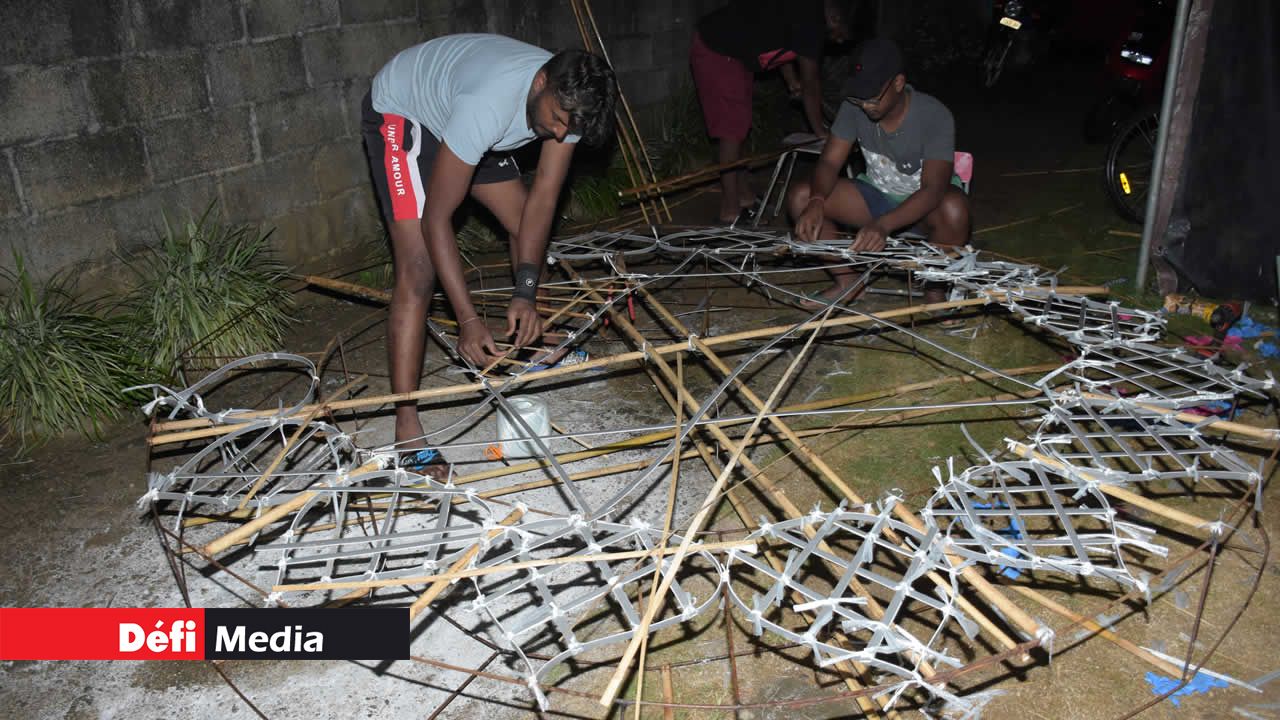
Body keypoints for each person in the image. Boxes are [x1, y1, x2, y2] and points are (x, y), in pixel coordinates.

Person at [361, 34, 617, 473]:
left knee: (524, 220)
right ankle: (407, 428)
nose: (560, 134)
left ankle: (533, 341)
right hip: (405, 110)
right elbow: (437, 218)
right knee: (418, 268)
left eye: (569, 127)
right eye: (557, 121)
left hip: (459, 113)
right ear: (541, 83)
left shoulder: (571, 102)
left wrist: (526, 293)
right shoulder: (489, 104)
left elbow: (543, 201)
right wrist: (467, 320)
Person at [788, 37, 969, 306]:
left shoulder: (933, 114)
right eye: (858, 97)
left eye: (873, 97)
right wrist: (816, 201)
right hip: (876, 196)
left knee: (954, 208)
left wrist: (884, 225)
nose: (865, 105)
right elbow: (829, 163)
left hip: (926, 208)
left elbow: (933, 189)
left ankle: (934, 289)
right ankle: (848, 282)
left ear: (898, 83)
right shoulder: (854, 107)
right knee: (802, 197)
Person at [691, 0, 851, 225]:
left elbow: (779, 41)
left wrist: (791, 80)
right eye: (841, 34)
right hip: (717, 48)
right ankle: (729, 211)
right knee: (731, 130)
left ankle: (744, 196)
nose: (840, 41)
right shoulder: (812, 22)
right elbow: (811, 84)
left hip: (736, 52)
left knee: (740, 126)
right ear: (834, 19)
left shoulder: (805, 12)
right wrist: (819, 130)